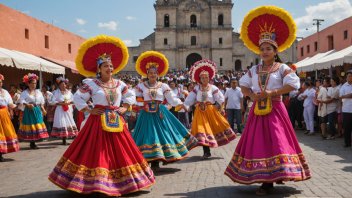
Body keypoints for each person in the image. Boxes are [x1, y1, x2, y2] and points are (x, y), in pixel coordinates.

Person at [48, 35, 155, 196]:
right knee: (97, 152)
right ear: (99, 68)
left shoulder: (120, 84)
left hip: (116, 121)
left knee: (121, 151)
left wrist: (125, 107)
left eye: (111, 66)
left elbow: (130, 96)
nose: (109, 69)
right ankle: (96, 183)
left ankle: (125, 182)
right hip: (97, 122)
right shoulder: (91, 84)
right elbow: (77, 97)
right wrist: (88, 110)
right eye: (105, 66)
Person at [224, 6, 311, 196]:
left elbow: (293, 85)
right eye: (262, 49)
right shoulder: (253, 70)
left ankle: (272, 178)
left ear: (275, 50)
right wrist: (251, 96)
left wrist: (273, 92)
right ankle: (265, 179)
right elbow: (244, 84)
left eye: (268, 49)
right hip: (257, 110)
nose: (264, 52)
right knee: (259, 142)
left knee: (277, 141)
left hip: (276, 109)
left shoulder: (282, 69)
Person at [133, 51, 197, 169]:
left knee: (162, 134)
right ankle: (150, 159)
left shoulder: (163, 86)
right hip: (146, 114)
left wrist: (181, 104)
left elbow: (171, 98)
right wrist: (142, 103)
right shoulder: (140, 86)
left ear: (158, 74)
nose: (152, 75)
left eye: (154, 73)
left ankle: (158, 159)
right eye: (150, 73)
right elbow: (136, 98)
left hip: (160, 113)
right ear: (147, 74)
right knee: (148, 135)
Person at [184, 59, 237, 159]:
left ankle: (212, 146)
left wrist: (221, 107)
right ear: (199, 78)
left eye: (206, 77)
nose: (204, 79)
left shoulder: (213, 88)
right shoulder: (196, 88)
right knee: (202, 129)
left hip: (211, 110)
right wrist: (184, 106)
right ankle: (206, 151)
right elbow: (190, 99)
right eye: (202, 77)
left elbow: (220, 99)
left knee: (213, 128)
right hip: (200, 111)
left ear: (209, 78)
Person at [18, 73, 49, 149]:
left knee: (37, 124)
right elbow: (21, 101)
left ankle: (34, 141)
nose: (34, 85)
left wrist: (43, 109)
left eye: (35, 83)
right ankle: (32, 143)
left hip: (37, 110)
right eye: (32, 83)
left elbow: (41, 102)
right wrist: (27, 104)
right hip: (29, 111)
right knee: (31, 125)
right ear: (28, 83)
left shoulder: (38, 92)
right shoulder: (24, 93)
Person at [50, 77, 78, 145]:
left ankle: (66, 137)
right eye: (61, 84)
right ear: (59, 85)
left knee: (68, 122)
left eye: (64, 84)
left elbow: (73, 100)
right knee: (61, 122)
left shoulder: (69, 92)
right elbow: (52, 101)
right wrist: (61, 103)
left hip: (67, 109)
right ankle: (63, 139)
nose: (63, 85)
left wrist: (68, 102)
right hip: (60, 109)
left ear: (66, 85)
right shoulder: (56, 92)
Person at [0, 74, 19, 162]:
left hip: (4, 115)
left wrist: (16, 106)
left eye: (0, 82)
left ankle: (1, 152)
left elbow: (10, 103)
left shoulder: (5, 92)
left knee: (6, 131)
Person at [339, 70, 352, 148]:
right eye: (348, 76)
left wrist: (345, 96)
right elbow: (340, 97)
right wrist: (350, 95)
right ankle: (347, 143)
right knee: (347, 127)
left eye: (351, 76)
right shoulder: (344, 86)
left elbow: (343, 96)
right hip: (346, 109)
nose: (350, 77)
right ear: (346, 77)